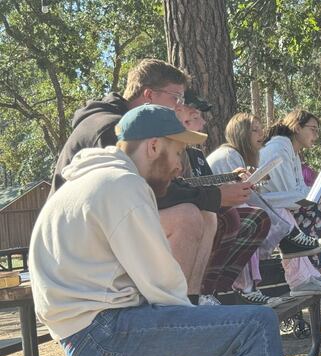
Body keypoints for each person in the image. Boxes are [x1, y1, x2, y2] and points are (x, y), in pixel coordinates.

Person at [29, 105, 292, 356]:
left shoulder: (91, 180)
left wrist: (205, 339)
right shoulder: (123, 184)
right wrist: (204, 350)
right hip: (100, 332)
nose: (179, 167)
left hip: (86, 328)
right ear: (153, 146)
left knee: (231, 324)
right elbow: (162, 285)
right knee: (257, 324)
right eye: (177, 153)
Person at [49, 58, 260, 304]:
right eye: (176, 98)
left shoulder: (132, 126)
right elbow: (148, 191)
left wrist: (213, 196)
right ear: (149, 95)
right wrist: (216, 195)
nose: (179, 106)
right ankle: (169, 310)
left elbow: (150, 189)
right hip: (79, 242)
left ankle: (191, 303)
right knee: (186, 218)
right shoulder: (113, 129)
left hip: (105, 226)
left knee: (206, 215)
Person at [208, 112, 321, 297]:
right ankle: (286, 274)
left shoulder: (236, 155)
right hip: (220, 222)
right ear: (240, 133)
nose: (261, 134)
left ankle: (303, 273)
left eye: (261, 129)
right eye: (254, 130)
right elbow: (244, 198)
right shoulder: (230, 155)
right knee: (272, 213)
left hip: (229, 217)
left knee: (278, 211)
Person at [174, 90, 276, 305]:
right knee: (228, 216)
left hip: (200, 212)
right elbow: (175, 189)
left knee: (257, 217)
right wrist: (221, 194)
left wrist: (230, 177)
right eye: (195, 117)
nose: (203, 123)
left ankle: (215, 289)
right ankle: (202, 293)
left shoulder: (195, 154)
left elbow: (204, 184)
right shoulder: (171, 151)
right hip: (184, 220)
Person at [259, 111, 321, 271]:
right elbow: (291, 197)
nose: (316, 135)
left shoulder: (292, 151)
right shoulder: (278, 150)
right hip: (269, 210)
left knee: (317, 204)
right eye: (313, 129)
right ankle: (310, 271)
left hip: (280, 206)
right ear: (297, 128)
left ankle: (315, 270)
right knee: (313, 209)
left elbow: (298, 190)